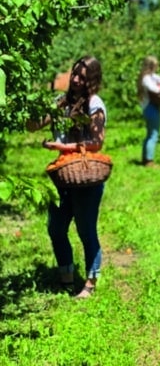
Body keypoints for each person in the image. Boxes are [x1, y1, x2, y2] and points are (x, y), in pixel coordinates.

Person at [26, 56, 108, 299]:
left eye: (82, 76)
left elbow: (96, 143)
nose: (75, 79)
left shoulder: (94, 104)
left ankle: (90, 283)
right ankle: (66, 275)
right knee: (56, 228)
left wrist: (61, 148)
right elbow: (34, 126)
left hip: (84, 179)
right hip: (62, 178)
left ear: (91, 80)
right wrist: (25, 107)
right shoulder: (61, 102)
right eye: (75, 73)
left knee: (86, 230)